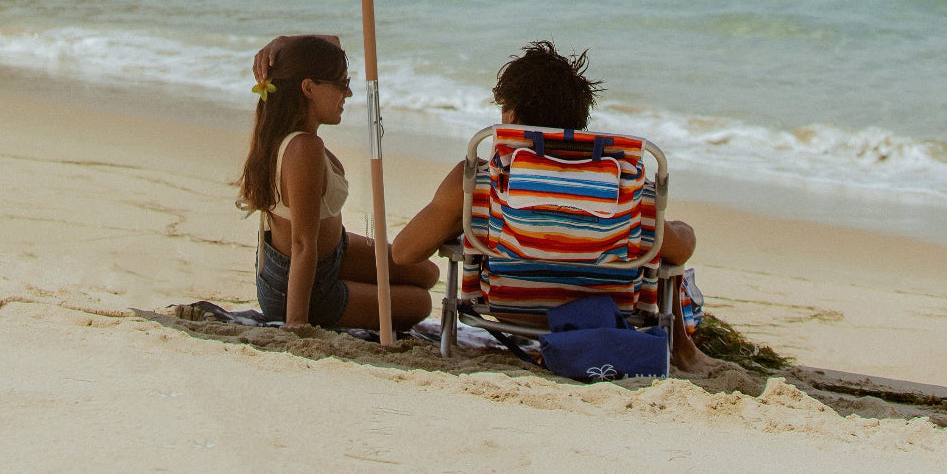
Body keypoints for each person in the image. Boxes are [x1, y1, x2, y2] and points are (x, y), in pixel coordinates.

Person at [390, 40, 716, 372]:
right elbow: (678, 250)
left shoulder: (477, 181)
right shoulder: (624, 186)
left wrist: (465, 230)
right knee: (665, 244)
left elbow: (403, 252)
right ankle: (681, 346)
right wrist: (684, 231)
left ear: (512, 115)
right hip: (608, 310)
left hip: (509, 308)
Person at [239, 34, 438, 330]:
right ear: (308, 87)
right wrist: (296, 325)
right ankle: (340, 298)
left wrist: (282, 42)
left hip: (334, 254)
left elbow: (331, 43)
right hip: (308, 286)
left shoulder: (287, 131)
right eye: (342, 84)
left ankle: (357, 288)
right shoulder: (303, 149)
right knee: (421, 302)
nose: (349, 94)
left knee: (426, 273)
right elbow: (303, 244)